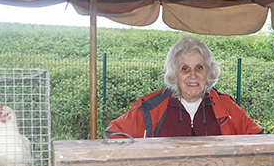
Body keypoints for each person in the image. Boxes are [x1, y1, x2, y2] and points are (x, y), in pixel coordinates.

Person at [105, 36, 263, 138]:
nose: (193, 75)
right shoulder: (151, 107)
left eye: (199, 68)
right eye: (185, 69)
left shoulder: (226, 107)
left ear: (208, 73)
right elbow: (113, 134)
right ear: (175, 75)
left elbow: (259, 140)